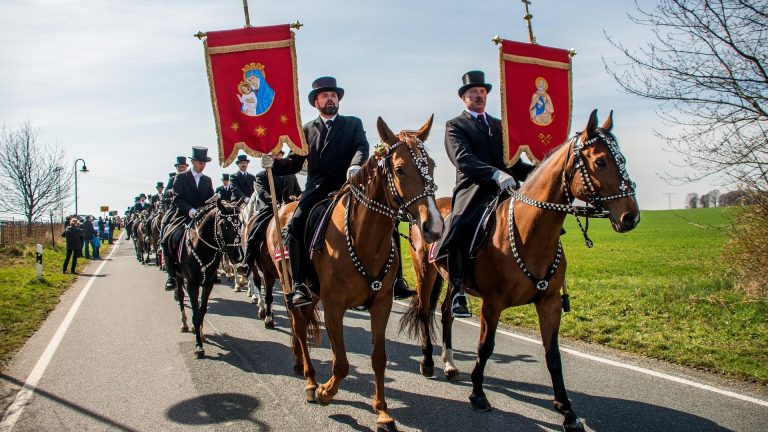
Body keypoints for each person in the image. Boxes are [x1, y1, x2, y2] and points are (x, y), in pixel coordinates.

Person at [261, 76, 369, 308]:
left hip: (349, 185)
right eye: (325, 96)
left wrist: (355, 165)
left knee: (382, 215)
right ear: (316, 102)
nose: (330, 99)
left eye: (333, 95)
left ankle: (395, 279)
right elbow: (295, 163)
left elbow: (362, 147)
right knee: (296, 223)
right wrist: (274, 164)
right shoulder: (306, 130)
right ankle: (300, 284)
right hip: (318, 188)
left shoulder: (353, 124)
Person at [437, 70, 534, 318]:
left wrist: (541, 169)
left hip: (507, 186)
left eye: (482, 92)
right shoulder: (455, 125)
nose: (479, 95)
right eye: (473, 92)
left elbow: (513, 163)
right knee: (460, 223)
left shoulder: (499, 126)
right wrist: (494, 174)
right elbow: (463, 159)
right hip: (474, 186)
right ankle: (457, 288)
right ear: (464, 98)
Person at [160, 147, 215, 289]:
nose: (202, 166)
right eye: (200, 163)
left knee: (215, 236)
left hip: (202, 216)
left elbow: (209, 197)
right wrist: (190, 210)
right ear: (193, 162)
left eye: (204, 163)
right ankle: (171, 275)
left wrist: (214, 199)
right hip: (183, 215)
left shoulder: (207, 180)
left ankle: (213, 270)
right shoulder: (181, 177)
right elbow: (177, 199)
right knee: (167, 237)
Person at [241, 150, 302, 278]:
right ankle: (247, 262)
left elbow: (297, 190)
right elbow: (262, 192)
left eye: (279, 155)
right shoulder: (261, 175)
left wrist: (299, 197)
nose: (277, 157)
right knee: (254, 229)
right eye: (274, 155)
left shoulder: (291, 175)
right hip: (270, 208)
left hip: (290, 207)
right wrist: (274, 202)